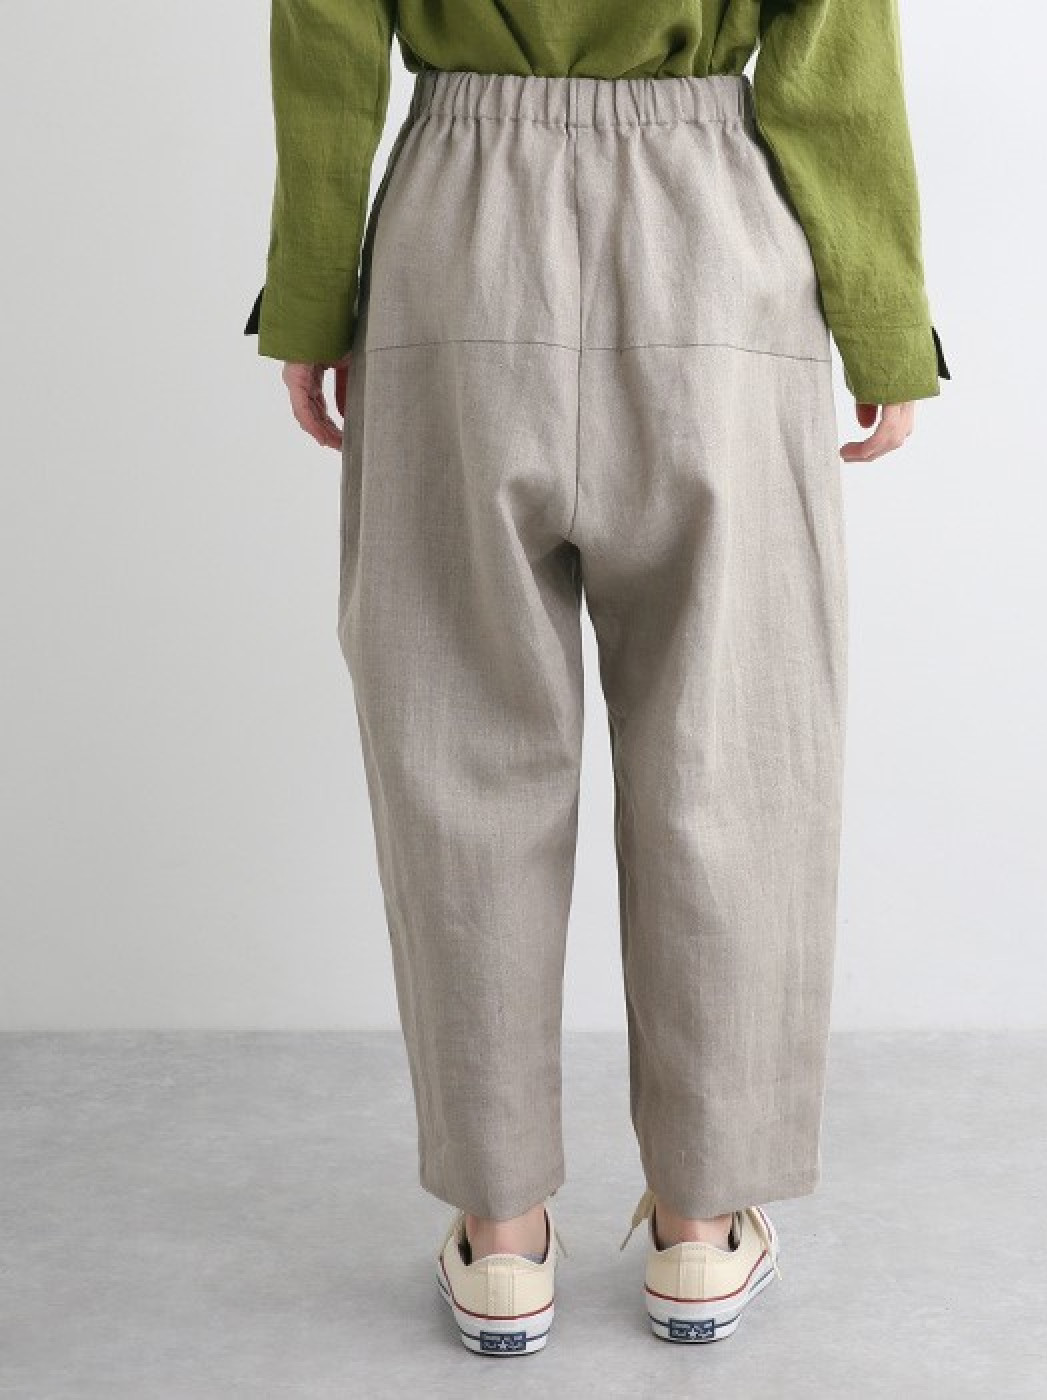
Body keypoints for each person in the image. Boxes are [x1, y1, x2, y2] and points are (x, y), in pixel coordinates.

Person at [244, 0, 949, 1356]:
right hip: (710, 238)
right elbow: (833, 50)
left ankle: (502, 1236)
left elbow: (328, 31)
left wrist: (315, 295)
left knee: (459, 747)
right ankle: (702, 1222)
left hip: (458, 236)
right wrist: (882, 318)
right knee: (731, 753)